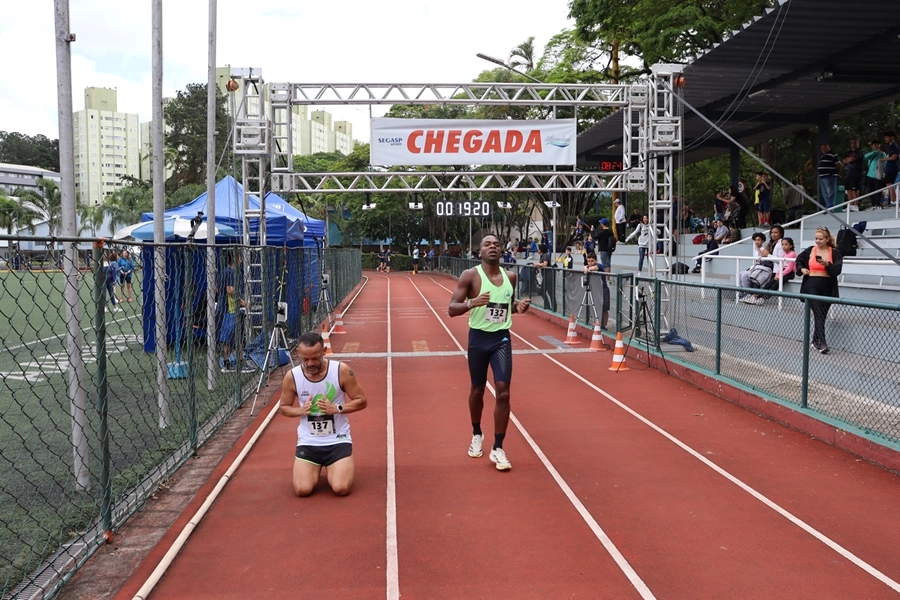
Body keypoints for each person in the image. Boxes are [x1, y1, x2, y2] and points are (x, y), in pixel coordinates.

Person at [449, 234, 531, 471]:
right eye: (487, 244)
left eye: (496, 244)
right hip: (478, 339)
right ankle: (477, 433)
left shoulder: (510, 276)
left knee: (503, 393)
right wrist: (472, 303)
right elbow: (451, 309)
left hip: (501, 339)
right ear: (480, 251)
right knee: (477, 390)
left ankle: (498, 447)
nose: (493, 247)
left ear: (501, 250)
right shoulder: (471, 276)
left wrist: (518, 307)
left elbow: (509, 306)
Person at [279, 330, 368, 496]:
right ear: (298, 353)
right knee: (302, 490)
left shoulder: (341, 370)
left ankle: (338, 465)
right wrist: (300, 410)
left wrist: (337, 409)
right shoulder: (293, 377)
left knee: (341, 488)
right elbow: (284, 407)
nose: (311, 363)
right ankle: (314, 466)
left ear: (324, 352)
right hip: (309, 441)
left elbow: (362, 401)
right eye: (305, 359)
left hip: (337, 439)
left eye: (315, 358)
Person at [796, 227, 843, 354]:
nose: (817, 241)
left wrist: (827, 264)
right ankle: (822, 342)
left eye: (820, 239)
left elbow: (837, 270)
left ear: (827, 239)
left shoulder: (834, 252)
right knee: (818, 313)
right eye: (816, 238)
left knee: (821, 315)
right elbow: (799, 260)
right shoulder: (810, 250)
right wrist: (801, 269)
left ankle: (815, 340)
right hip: (811, 285)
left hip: (828, 286)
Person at [583, 251, 610, 329]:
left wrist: (587, 269)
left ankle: (604, 325)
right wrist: (585, 267)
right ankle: (597, 323)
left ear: (596, 260)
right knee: (596, 307)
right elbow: (585, 267)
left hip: (604, 290)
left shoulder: (599, 266)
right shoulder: (588, 266)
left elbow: (595, 268)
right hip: (596, 290)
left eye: (592, 261)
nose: (590, 263)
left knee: (604, 309)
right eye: (589, 261)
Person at [818, 143, 842, 209]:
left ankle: (830, 206)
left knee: (830, 192)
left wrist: (837, 173)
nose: (823, 150)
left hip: (830, 176)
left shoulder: (833, 154)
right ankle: (828, 206)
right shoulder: (822, 156)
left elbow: (839, 165)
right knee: (824, 193)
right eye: (822, 148)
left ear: (828, 147)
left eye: (824, 148)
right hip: (822, 177)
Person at [842, 138, 864, 211]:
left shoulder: (859, 152)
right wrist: (848, 159)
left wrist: (849, 159)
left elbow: (851, 159)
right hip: (849, 173)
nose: (853, 144)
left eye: (855, 142)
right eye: (852, 142)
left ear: (858, 143)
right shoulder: (849, 152)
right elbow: (844, 160)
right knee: (848, 189)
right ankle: (850, 205)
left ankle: (855, 205)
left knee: (854, 190)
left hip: (856, 173)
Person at [864, 139, 886, 209]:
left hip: (878, 175)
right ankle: (873, 204)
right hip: (870, 175)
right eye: (874, 144)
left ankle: (878, 204)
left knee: (878, 190)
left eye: (877, 144)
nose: (876, 146)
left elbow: (884, 164)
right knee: (870, 190)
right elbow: (865, 156)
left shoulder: (882, 154)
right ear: (872, 146)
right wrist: (875, 152)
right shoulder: (871, 154)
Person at [534, 243, 557, 312]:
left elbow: (545, 264)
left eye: (538, 249)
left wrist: (538, 264)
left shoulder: (545, 255)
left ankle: (553, 308)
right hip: (545, 276)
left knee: (550, 292)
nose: (537, 250)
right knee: (543, 291)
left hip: (549, 276)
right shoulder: (541, 256)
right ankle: (548, 306)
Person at [879, 131, 899, 206]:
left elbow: (894, 157)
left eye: (887, 137)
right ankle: (893, 200)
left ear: (892, 137)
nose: (885, 139)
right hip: (890, 167)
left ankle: (893, 201)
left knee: (890, 184)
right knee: (889, 183)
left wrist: (883, 159)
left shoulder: (894, 146)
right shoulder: (890, 146)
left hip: (892, 167)